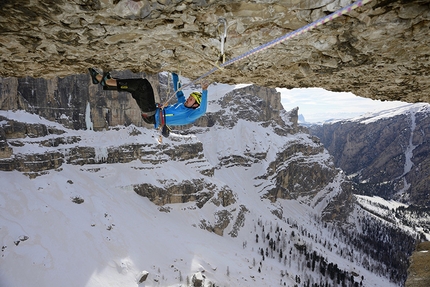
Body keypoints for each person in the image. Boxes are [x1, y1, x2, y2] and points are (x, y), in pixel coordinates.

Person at [88, 68, 209, 137]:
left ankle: (107, 82)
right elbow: (178, 91)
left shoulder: (190, 116)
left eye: (191, 99)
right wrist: (174, 73)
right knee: (136, 89)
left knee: (143, 84)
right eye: (190, 97)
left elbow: (203, 110)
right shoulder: (183, 104)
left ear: (196, 105)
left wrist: (204, 90)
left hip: (153, 116)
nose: (188, 99)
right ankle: (104, 81)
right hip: (152, 113)